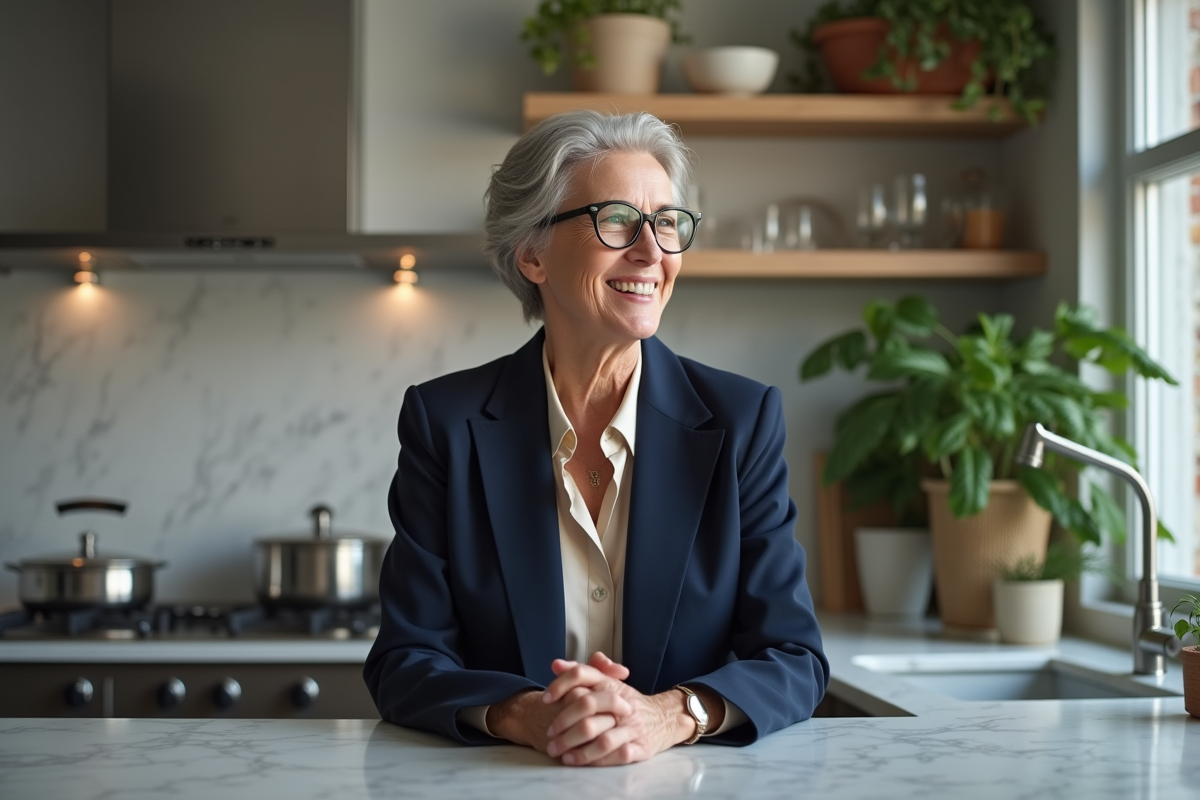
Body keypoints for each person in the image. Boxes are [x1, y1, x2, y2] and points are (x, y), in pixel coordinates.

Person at [364, 110, 828, 767]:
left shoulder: (741, 420)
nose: (652, 252)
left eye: (667, 223)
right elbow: (404, 662)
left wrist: (668, 715)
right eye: (616, 220)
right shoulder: (446, 422)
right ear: (532, 253)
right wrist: (528, 715)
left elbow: (795, 658)